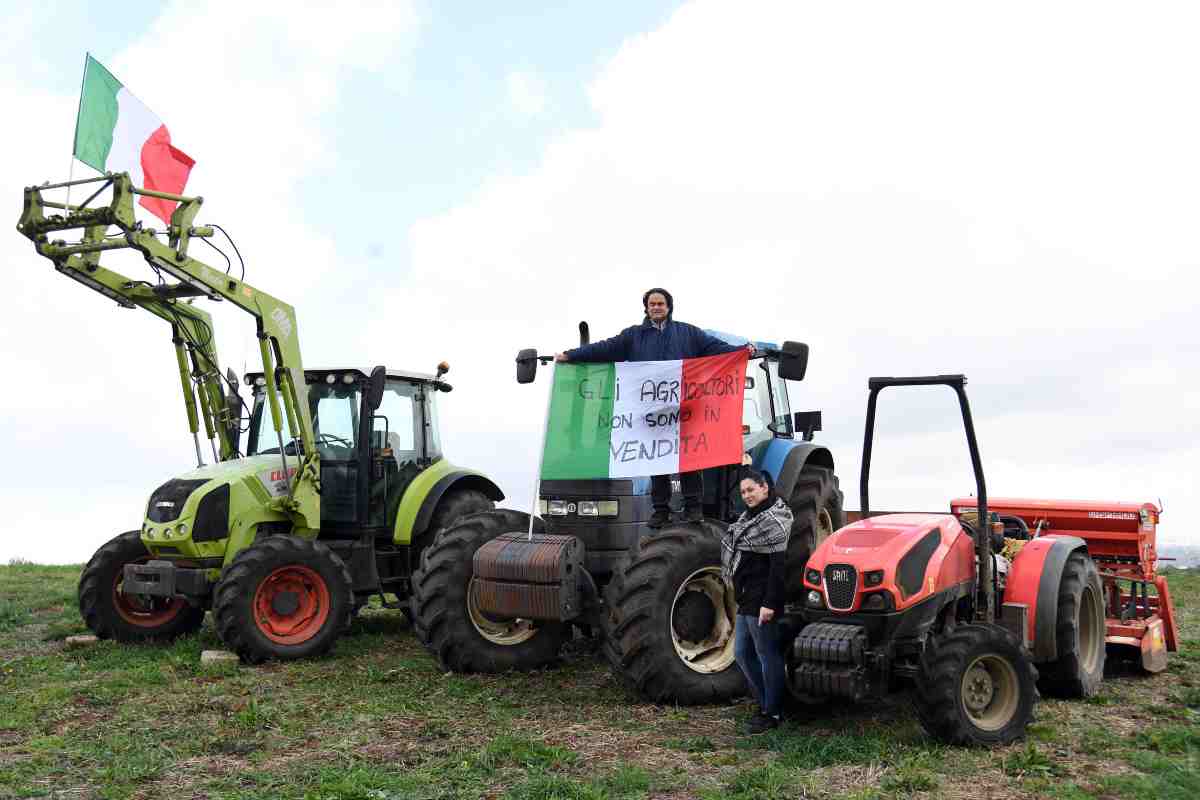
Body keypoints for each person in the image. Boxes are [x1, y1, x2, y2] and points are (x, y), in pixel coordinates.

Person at [555, 287, 751, 527]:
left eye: (661, 303)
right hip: (651, 411)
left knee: (689, 459)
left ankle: (693, 508)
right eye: (652, 304)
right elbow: (604, 348)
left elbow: (716, 348)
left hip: (685, 409)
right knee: (657, 461)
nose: (656, 307)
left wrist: (742, 352)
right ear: (646, 308)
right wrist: (571, 355)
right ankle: (660, 510)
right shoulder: (633, 336)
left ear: (669, 307)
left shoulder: (689, 333)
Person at [722, 468, 793, 734]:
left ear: (765, 487)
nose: (747, 495)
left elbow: (778, 567)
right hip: (746, 597)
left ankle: (773, 712)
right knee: (741, 652)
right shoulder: (747, 519)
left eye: (751, 489)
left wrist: (770, 603)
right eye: (743, 492)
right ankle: (766, 703)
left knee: (767, 654)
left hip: (763, 598)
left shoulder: (776, 520)